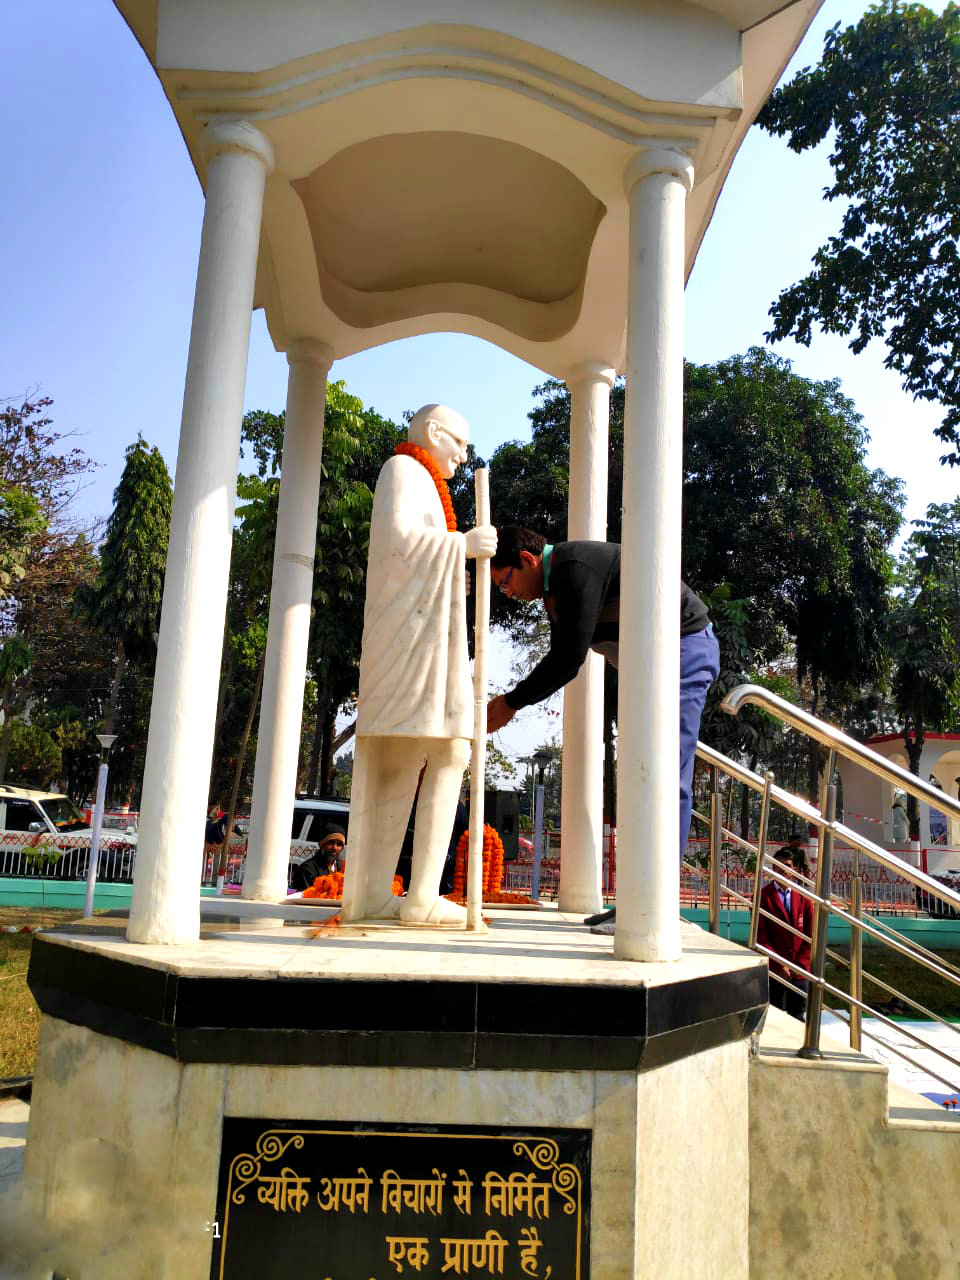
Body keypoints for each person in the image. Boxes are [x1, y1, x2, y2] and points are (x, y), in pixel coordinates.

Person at [485, 526, 719, 926]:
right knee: (643, 776)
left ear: (527, 561)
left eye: (505, 584)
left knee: (665, 776)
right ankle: (637, 901)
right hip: (650, 665)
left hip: (683, 651)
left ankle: (657, 905)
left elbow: (567, 659)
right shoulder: (554, 586)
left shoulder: (572, 569)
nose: (509, 594)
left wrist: (511, 703)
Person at [342, 404, 497, 925]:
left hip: (431, 642)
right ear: (433, 432)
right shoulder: (403, 470)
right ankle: (417, 898)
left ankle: (389, 895)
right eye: (458, 442)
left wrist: (463, 567)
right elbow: (399, 545)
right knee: (444, 751)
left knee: (429, 755)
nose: (462, 454)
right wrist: (462, 546)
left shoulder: (427, 482)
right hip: (407, 648)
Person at [756, 846, 814, 1019]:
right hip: (775, 969)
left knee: (797, 1015)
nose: (782, 869)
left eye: (787, 865)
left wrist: (801, 965)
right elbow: (761, 935)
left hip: (799, 970)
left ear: (794, 868)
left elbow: (810, 935)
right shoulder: (763, 897)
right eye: (778, 865)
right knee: (774, 1015)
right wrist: (779, 965)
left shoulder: (804, 898)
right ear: (772, 868)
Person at [290, 823, 346, 893]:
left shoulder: (343, 868)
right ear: (322, 844)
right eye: (331, 843)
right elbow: (306, 897)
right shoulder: (307, 870)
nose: (335, 848)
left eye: (339, 845)